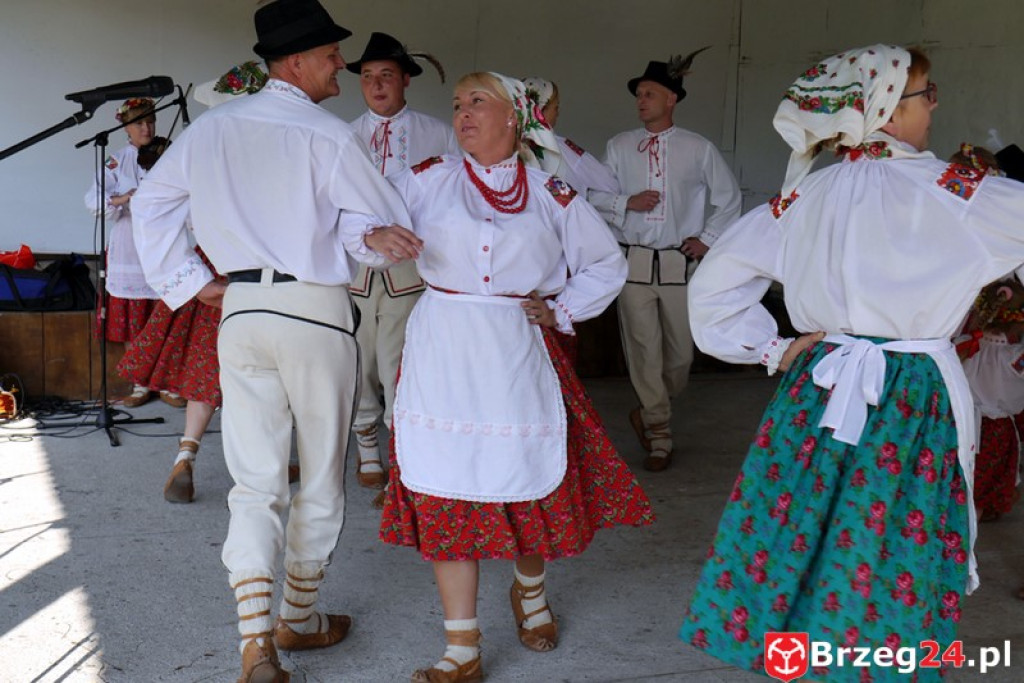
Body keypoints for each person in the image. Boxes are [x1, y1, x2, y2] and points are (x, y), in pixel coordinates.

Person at [679, 44, 1024, 680]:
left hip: (820, 382)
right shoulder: (958, 191)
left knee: (806, 530)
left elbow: (713, 288)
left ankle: (808, 660)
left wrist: (773, 347)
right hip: (910, 393)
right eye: (927, 93)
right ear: (887, 113)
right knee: (894, 543)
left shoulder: (805, 195)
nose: (935, 103)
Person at [130, 1, 416, 680]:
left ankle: (254, 639)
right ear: (295, 62)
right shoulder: (326, 134)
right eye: (329, 56)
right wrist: (370, 236)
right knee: (318, 471)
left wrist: (186, 279)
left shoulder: (212, 129)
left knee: (255, 481)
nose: (339, 66)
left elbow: (151, 203)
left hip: (242, 308)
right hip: (315, 310)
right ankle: (301, 616)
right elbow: (381, 221)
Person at [378, 71, 654, 683]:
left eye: (479, 101)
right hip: (444, 343)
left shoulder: (550, 190)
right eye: (456, 104)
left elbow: (605, 263)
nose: (463, 112)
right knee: (446, 480)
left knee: (525, 477)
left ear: (515, 117)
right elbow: (367, 224)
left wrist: (559, 310)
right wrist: (373, 235)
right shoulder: (426, 180)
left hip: (516, 344)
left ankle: (529, 593)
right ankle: (461, 647)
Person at [118, 61, 272, 505]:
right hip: (268, 264)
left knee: (208, 366)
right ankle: (268, 460)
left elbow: (152, 204)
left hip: (214, 265)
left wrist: (189, 275)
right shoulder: (275, 145)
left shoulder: (201, 145)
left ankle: (186, 454)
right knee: (266, 368)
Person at [588, 49, 741, 473]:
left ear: (671, 98)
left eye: (650, 93)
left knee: (680, 358)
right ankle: (659, 433)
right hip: (634, 264)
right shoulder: (619, 147)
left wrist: (707, 239)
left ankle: (653, 409)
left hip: (678, 266)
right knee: (643, 352)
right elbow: (592, 196)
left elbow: (729, 199)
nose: (641, 101)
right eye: (638, 94)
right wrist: (626, 202)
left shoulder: (697, 148)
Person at [346, 31, 459, 490]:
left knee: (401, 364)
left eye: (386, 76)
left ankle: (405, 458)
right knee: (357, 363)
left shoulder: (439, 134)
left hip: (411, 271)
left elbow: (455, 201)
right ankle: (367, 447)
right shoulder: (344, 137)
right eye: (368, 77)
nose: (376, 85)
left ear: (406, 80)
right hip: (353, 270)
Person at [84, 98, 184, 409]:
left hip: (165, 242)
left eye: (151, 122)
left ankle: (168, 383)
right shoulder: (116, 161)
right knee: (136, 316)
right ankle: (140, 383)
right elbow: (93, 197)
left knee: (167, 316)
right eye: (139, 123)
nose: (147, 128)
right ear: (125, 127)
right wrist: (124, 197)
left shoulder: (169, 155)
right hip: (130, 245)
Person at [521, 76, 620, 198]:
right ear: (541, 110)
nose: (558, 113)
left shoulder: (507, 147)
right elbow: (608, 182)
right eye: (555, 107)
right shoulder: (559, 147)